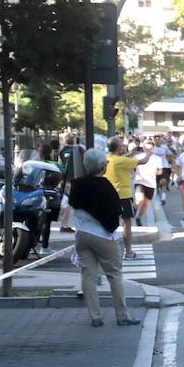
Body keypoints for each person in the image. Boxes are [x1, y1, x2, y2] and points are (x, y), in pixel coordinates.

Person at [70, 149, 141, 328]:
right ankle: (122, 315)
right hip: (102, 236)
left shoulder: (77, 184)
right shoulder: (106, 187)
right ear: (103, 166)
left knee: (88, 275)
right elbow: (115, 214)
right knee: (114, 274)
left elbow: (73, 205)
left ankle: (95, 316)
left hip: (82, 235)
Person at [103, 136, 149, 260]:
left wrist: (131, 153)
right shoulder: (120, 160)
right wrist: (149, 152)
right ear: (118, 147)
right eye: (121, 144)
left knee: (109, 224)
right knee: (126, 224)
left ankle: (108, 252)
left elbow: (122, 159)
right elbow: (143, 161)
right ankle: (128, 252)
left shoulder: (107, 159)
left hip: (109, 195)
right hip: (123, 195)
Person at [133, 136, 162, 228]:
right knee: (139, 199)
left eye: (150, 147)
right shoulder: (137, 157)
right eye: (146, 147)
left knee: (145, 204)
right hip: (140, 181)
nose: (148, 149)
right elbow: (132, 167)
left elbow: (160, 171)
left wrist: (156, 172)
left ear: (153, 148)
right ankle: (134, 209)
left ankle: (138, 217)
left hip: (151, 183)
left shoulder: (157, 159)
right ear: (143, 147)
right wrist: (133, 174)